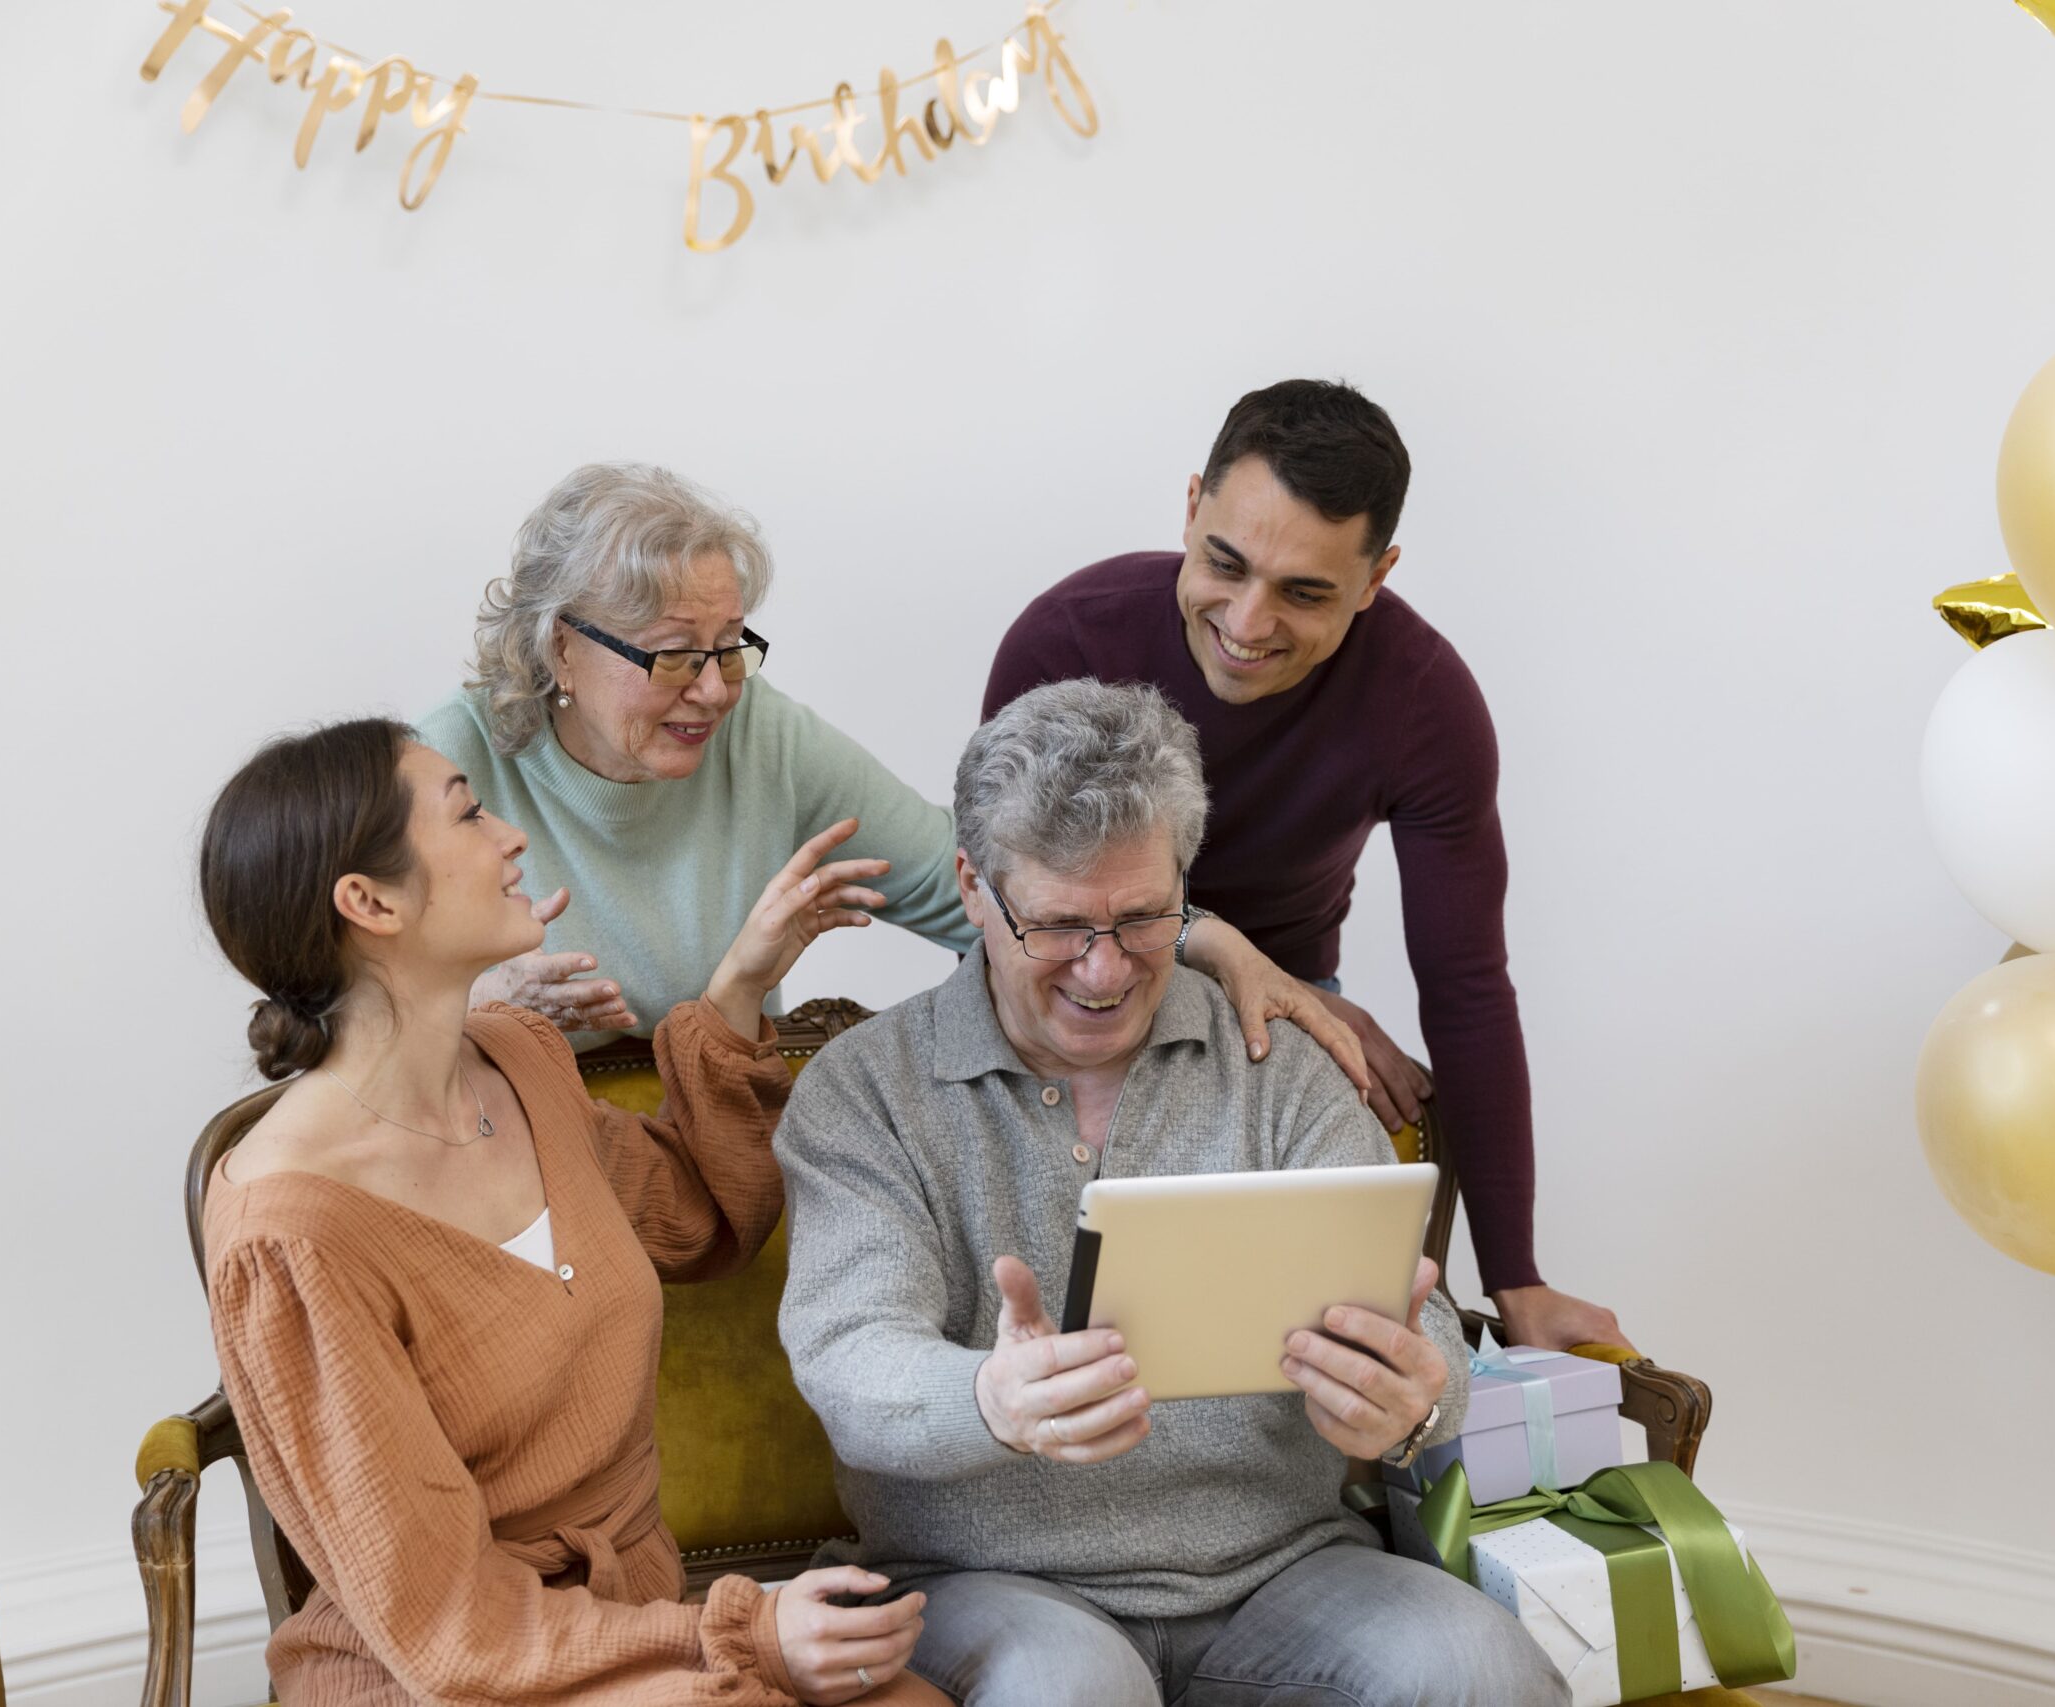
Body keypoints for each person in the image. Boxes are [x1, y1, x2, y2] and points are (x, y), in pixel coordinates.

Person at [776, 681, 1563, 1706]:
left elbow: (1428, 1341)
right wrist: (989, 1400)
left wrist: (1414, 1403)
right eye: (1057, 926)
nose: (1103, 971)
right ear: (972, 886)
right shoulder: (865, 1088)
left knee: (1479, 1670)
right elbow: (850, 1362)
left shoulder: (1279, 1068)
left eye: (1144, 918)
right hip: (990, 1584)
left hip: (1288, 1570)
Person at [197, 717, 942, 1705]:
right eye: (467, 813)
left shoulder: (520, 1062)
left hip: (623, 1632)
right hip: (441, 1674)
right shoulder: (288, 1234)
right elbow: (449, 1631)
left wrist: (743, 979)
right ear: (369, 901)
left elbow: (700, 1213)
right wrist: (748, 1628)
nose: (510, 837)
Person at [982, 381, 1624, 1353]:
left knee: (1314, 1322)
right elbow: (1009, 905)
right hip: (1070, 974)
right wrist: (1233, 961)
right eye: (1225, 564)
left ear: (1376, 578)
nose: (1247, 621)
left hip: (1277, 1021)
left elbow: (1465, 987)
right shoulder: (1070, 638)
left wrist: (1517, 1277)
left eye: (1305, 592)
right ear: (1190, 507)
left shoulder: (1424, 704)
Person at [421, 461, 1370, 1086]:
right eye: (673, 655)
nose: (713, 690)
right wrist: (475, 1010)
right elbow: (330, 1019)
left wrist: (1211, 941)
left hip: (705, 1153)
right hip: (496, 1155)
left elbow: (977, 889)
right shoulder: (443, 768)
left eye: (730, 645)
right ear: (560, 646)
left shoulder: (763, 739)